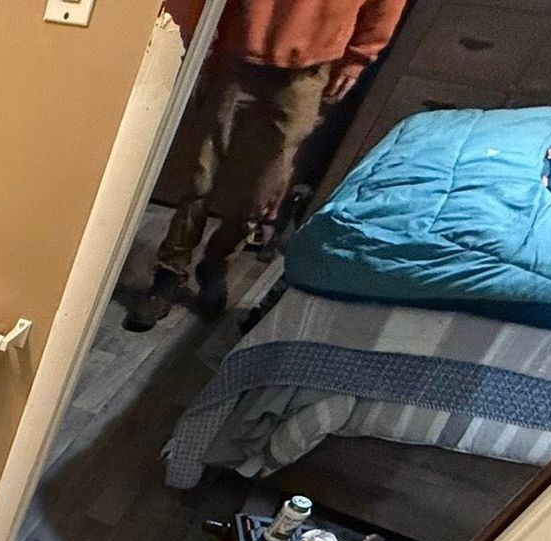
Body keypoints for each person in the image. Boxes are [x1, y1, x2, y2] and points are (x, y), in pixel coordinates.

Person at [125, 0, 409, 331]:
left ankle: (216, 263)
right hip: (233, 53)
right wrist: (196, 33)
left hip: (308, 68)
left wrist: (359, 58)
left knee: (262, 192)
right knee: (200, 175)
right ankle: (169, 271)